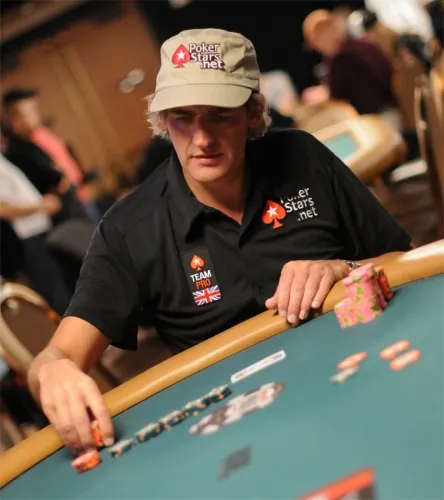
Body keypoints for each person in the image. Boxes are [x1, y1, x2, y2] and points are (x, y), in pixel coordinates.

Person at [28, 28, 412, 453]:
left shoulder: (303, 158)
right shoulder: (129, 228)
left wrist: (343, 268)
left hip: (359, 362)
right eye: (183, 117)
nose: (202, 138)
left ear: (253, 113)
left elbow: (405, 261)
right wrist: (53, 373)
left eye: (220, 114)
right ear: (162, 120)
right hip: (238, 426)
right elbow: (58, 355)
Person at [1, 88, 100, 226]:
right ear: (15, 119)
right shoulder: (17, 151)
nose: (36, 115)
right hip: (60, 213)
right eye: (30, 112)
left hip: (75, 199)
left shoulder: (35, 139)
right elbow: (48, 177)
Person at [0, 154, 72, 315]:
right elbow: (2, 209)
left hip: (39, 230)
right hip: (27, 236)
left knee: (65, 285)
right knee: (56, 294)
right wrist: (40, 206)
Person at [301, 9, 399, 120]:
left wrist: (321, 96)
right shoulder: (364, 43)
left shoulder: (340, 58)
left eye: (315, 41)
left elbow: (337, 95)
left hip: (378, 118)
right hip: (393, 109)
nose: (317, 48)